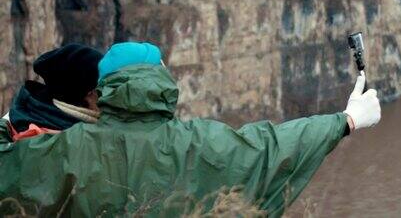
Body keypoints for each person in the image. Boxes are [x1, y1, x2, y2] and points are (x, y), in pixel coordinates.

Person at [0, 42, 381, 217]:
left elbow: (8, 173)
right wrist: (346, 120)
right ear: (158, 81)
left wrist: (7, 124)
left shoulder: (64, 149)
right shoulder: (195, 143)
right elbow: (271, 147)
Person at [0, 44, 102, 142]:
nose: (110, 93)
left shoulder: (35, 113)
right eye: (105, 87)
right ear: (88, 94)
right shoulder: (45, 141)